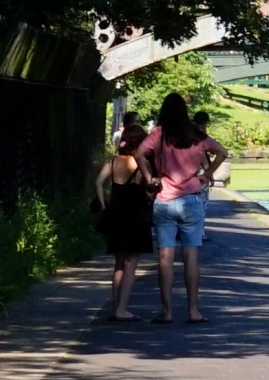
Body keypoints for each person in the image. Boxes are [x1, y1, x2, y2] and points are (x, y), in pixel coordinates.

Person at [142, 91, 224, 323]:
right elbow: (222, 152)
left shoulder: (159, 134)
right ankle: (193, 310)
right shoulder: (196, 134)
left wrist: (150, 176)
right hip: (192, 200)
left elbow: (139, 153)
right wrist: (207, 174)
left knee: (165, 257)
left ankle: (167, 312)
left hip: (165, 200)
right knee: (191, 256)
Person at [93, 113, 156, 322]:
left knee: (118, 263)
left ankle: (114, 306)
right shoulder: (141, 163)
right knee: (132, 264)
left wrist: (103, 205)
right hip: (136, 215)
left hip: (116, 213)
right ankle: (123, 308)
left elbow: (98, 183)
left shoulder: (113, 161)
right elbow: (148, 193)